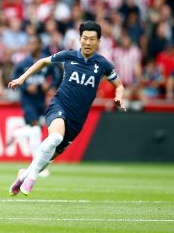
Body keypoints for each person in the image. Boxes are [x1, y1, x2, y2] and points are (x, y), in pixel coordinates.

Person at [8, 21, 126, 196]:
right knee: (55, 136)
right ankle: (31, 179)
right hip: (59, 106)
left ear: (98, 41)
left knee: (47, 161)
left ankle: (23, 174)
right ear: (79, 39)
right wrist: (22, 79)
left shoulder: (103, 64)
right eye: (85, 38)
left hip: (77, 119)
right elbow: (42, 62)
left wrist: (119, 97)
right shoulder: (69, 56)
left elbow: (119, 85)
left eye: (92, 39)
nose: (87, 42)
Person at [7, 36, 62, 179]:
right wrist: (25, 86)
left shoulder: (45, 61)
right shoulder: (22, 64)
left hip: (40, 100)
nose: (32, 46)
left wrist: (49, 85)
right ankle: (38, 167)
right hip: (27, 101)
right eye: (29, 43)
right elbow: (14, 77)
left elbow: (57, 74)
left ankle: (17, 133)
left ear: (39, 45)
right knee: (36, 129)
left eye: (34, 43)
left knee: (36, 130)